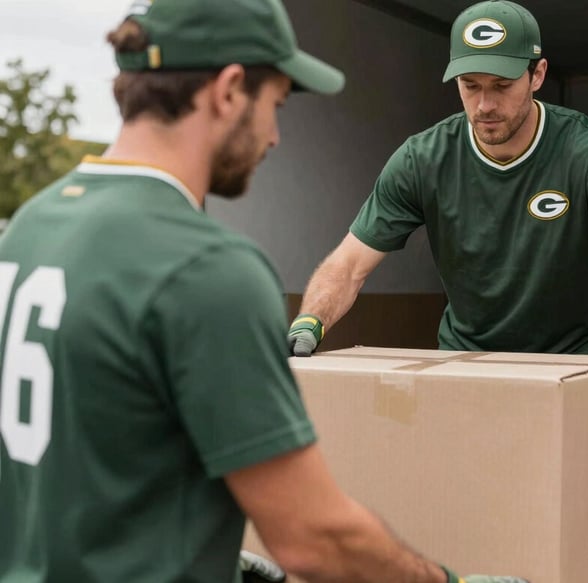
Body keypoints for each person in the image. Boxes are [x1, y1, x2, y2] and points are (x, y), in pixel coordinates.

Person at [0, 0, 528, 582]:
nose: (275, 137)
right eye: (275, 105)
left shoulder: (32, 227)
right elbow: (314, 539)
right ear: (228, 90)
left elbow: (93, 445)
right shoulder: (207, 268)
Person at [288, 0, 588, 446]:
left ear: (537, 74)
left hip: (576, 369)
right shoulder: (423, 160)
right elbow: (348, 265)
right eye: (470, 85)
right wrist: (307, 324)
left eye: (502, 85)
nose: (485, 105)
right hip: (467, 368)